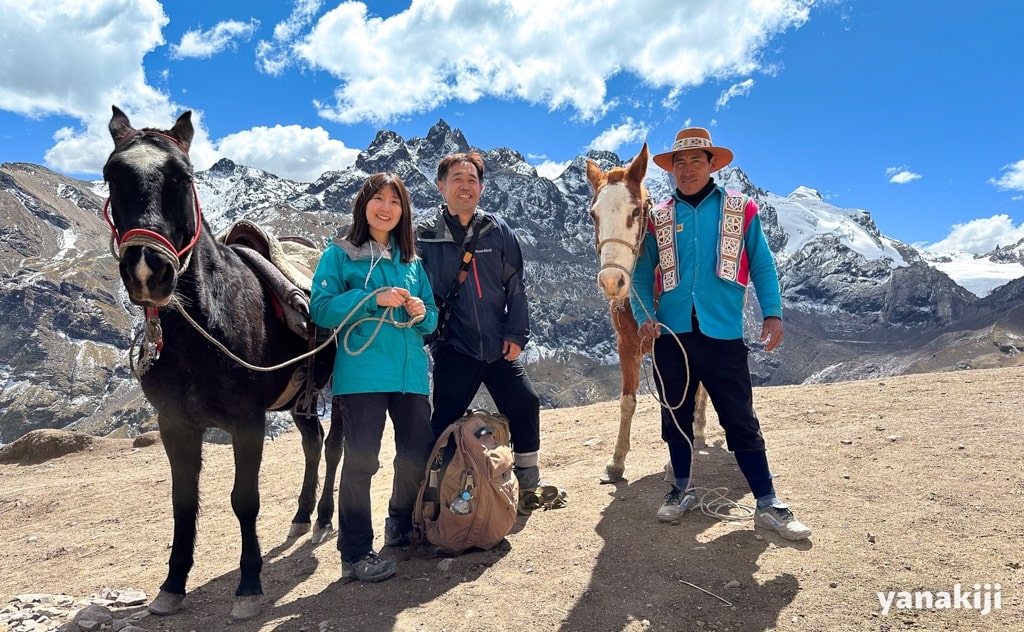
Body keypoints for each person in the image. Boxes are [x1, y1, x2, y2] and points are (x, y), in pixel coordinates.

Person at [630, 127, 811, 540]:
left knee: (739, 417)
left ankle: (768, 501)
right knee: (675, 416)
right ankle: (681, 489)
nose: (688, 168)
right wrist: (645, 314)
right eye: (680, 162)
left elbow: (762, 265)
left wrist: (773, 313)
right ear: (671, 170)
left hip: (723, 332)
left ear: (712, 165)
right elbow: (641, 276)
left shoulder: (739, 209)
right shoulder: (659, 217)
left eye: (697, 160)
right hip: (672, 336)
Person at [310, 172, 439, 583]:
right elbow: (322, 308)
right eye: (378, 199)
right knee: (362, 463)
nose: (386, 208)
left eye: (395, 201)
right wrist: (370, 299)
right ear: (363, 205)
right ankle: (355, 552)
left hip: (411, 376)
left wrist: (421, 312)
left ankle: (399, 523)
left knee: (415, 457)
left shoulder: (412, 262)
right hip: (362, 374)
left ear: (403, 211)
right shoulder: (339, 255)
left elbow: (431, 320)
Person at [415, 152, 559, 500]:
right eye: (456, 179)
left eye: (472, 180)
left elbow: (516, 285)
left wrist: (516, 334)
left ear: (481, 187)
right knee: (444, 422)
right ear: (440, 186)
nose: (465, 186)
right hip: (454, 347)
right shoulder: (424, 236)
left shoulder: (496, 230)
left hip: (498, 346)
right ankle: (434, 496)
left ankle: (527, 482)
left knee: (525, 403)